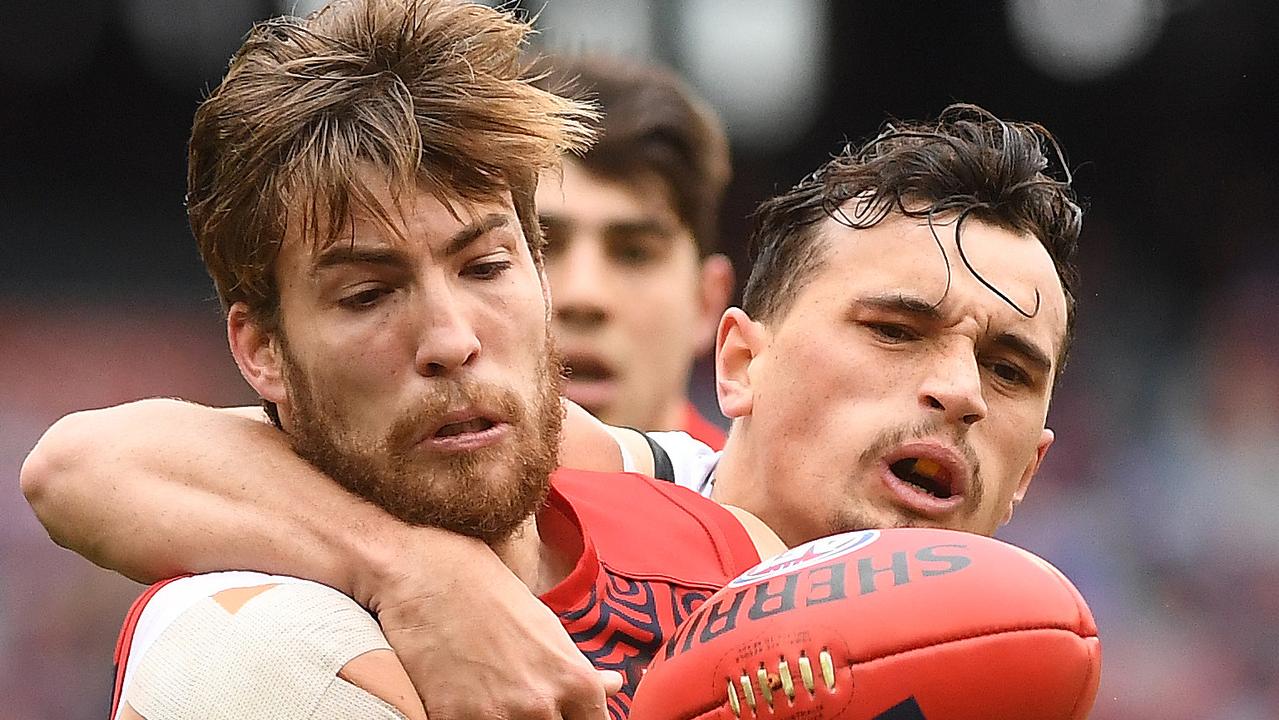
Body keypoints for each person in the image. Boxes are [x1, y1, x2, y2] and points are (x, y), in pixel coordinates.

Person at [22, 99, 1081, 720]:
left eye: (1007, 368)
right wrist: (415, 569)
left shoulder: (997, 665)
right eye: (894, 330)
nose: (952, 389)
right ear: (738, 363)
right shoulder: (618, 481)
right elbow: (85, 466)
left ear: (1030, 467)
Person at [22, 2, 784, 719]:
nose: (452, 340)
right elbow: (71, 467)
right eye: (367, 295)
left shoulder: (727, 530)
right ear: (262, 352)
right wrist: (413, 573)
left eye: (485, 268)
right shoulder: (246, 648)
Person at [533, 56, 735, 448]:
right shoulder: (386, 508)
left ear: (707, 302)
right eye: (539, 245)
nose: (583, 295)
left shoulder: (758, 510)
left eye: (635, 254)